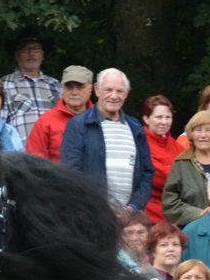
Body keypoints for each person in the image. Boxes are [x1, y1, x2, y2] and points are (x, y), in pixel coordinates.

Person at [59, 68, 152, 212]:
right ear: (97, 90)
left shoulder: (135, 128)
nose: (114, 96)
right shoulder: (78, 125)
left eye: (120, 91)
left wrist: (134, 207)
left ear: (127, 93)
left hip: (130, 218)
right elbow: (71, 173)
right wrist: (99, 207)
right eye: (108, 90)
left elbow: (147, 172)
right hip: (92, 215)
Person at [24, 65, 93, 162]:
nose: (74, 92)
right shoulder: (45, 121)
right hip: (56, 176)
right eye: (69, 87)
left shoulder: (100, 120)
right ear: (62, 88)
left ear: (91, 89)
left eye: (80, 87)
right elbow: (35, 163)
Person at [138, 95, 177, 224]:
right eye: (159, 117)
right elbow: (158, 177)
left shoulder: (176, 145)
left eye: (168, 117)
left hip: (173, 213)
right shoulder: (139, 143)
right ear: (146, 118)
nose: (164, 122)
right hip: (149, 214)